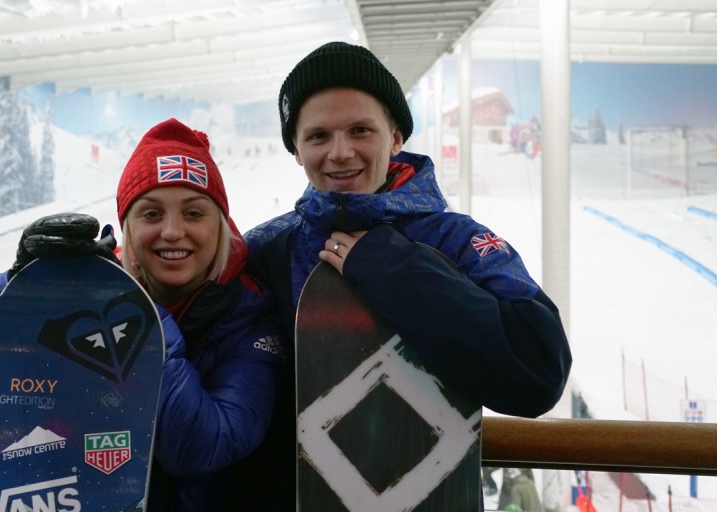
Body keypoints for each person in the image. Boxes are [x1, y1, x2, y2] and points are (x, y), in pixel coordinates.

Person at [244, 41, 572, 509]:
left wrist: (396, 270)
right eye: (318, 136)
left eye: (361, 130)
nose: (340, 152)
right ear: (295, 149)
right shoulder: (266, 250)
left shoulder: (457, 242)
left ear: (396, 137)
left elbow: (539, 369)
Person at [0, 118, 284, 511]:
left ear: (221, 226)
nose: (172, 231)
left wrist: (140, 323)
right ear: (128, 229)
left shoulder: (249, 318)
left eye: (194, 213)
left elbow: (203, 446)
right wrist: (14, 294)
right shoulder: (91, 303)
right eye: (151, 214)